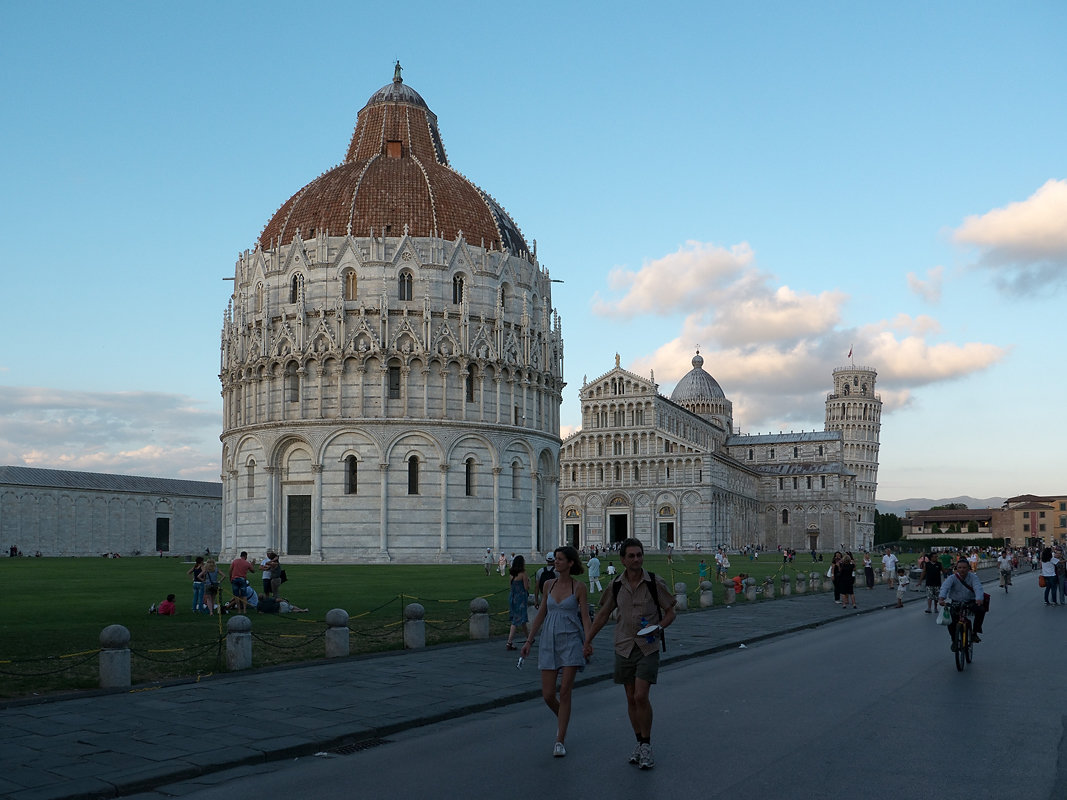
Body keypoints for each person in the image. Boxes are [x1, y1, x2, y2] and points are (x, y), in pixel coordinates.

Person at [584, 537, 676, 770]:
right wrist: (587, 640)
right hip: (623, 645)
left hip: (648, 646)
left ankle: (646, 744)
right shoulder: (616, 585)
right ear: (622, 560)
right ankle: (638, 741)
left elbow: (670, 611)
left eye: (639, 555)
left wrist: (660, 627)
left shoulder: (654, 582)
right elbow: (604, 614)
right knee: (629, 696)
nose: (637, 559)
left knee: (640, 696)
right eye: (632, 556)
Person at [519, 546, 593, 758]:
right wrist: (529, 641)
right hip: (549, 639)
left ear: (570, 563)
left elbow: (586, 617)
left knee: (565, 692)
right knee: (548, 694)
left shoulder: (579, 587)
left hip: (570, 639)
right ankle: (564, 717)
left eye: (560, 559)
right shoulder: (548, 585)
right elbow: (541, 613)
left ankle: (560, 739)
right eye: (555, 559)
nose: (556, 562)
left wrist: (588, 641)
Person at [938, 558, 986, 650]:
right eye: (959, 567)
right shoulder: (952, 578)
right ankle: (954, 640)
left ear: (968, 568)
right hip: (956, 602)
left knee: (981, 610)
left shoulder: (973, 577)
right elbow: (945, 587)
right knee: (951, 620)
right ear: (956, 568)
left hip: (970, 601)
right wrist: (941, 598)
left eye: (964, 568)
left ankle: (974, 632)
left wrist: (979, 598)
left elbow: (978, 587)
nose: (962, 570)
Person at [505, 555, 530, 650]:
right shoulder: (523, 573)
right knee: (516, 620)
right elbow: (526, 587)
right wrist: (529, 583)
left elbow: (511, 587)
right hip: (521, 598)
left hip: (513, 597)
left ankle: (528, 638)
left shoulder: (511, 574)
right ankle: (509, 642)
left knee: (522, 618)